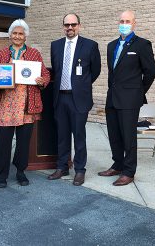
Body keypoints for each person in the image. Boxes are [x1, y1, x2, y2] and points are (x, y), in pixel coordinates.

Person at [98, 10, 155, 186]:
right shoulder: (111, 45)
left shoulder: (142, 45)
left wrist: (139, 92)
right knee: (114, 134)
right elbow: (112, 73)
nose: (124, 23)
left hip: (130, 100)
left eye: (127, 21)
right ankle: (118, 164)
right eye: (121, 21)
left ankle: (129, 171)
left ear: (134, 23)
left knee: (128, 137)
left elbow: (151, 72)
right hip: (113, 98)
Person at [0, 19, 50, 188]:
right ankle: (1, 176)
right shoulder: (2, 53)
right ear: (10, 35)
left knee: (23, 143)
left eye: (21, 33)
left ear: (25, 36)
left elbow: (45, 75)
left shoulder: (34, 54)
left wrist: (41, 80)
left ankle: (20, 171)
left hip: (26, 105)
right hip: (5, 106)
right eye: (14, 33)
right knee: (3, 143)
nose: (17, 36)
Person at [48, 13, 101, 186]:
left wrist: (81, 85)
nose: (69, 28)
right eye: (66, 25)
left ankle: (80, 170)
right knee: (62, 135)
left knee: (79, 135)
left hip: (79, 99)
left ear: (79, 25)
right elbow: (56, 70)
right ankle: (62, 167)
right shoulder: (55, 45)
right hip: (60, 97)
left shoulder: (90, 46)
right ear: (63, 26)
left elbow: (95, 71)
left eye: (73, 24)